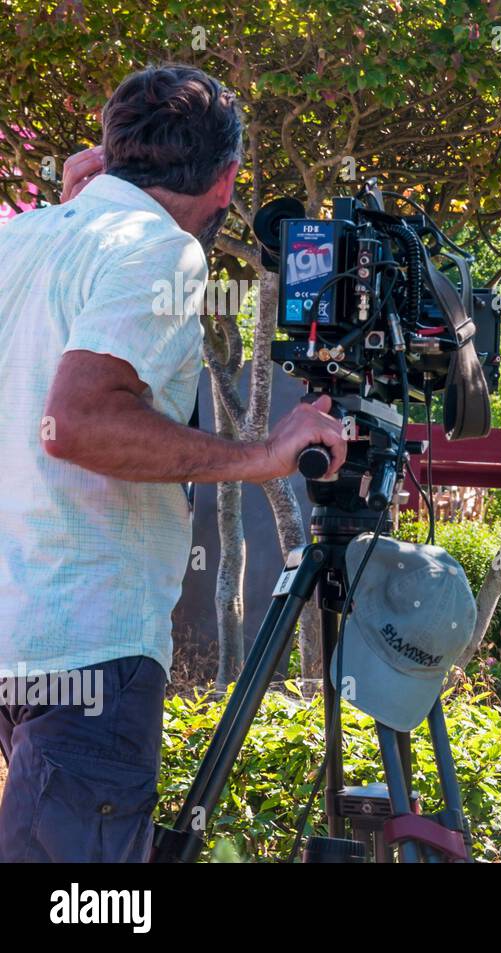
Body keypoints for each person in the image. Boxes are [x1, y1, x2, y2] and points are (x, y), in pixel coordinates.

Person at [0, 64, 347, 862]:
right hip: (92, 644)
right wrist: (263, 455)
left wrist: (78, 205)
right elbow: (75, 420)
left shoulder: (25, 236)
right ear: (226, 183)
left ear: (111, 148)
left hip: (23, 638)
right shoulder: (158, 251)